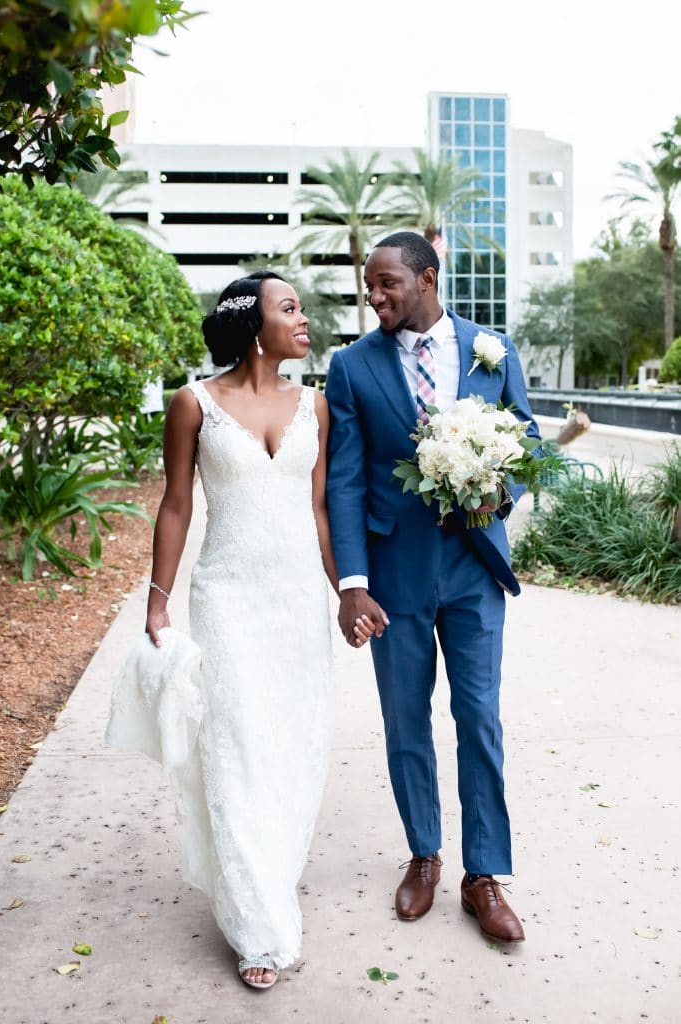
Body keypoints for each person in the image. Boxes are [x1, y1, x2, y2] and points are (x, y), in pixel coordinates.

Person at [116, 271, 379, 990]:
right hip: (227, 599)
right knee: (236, 746)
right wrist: (157, 602)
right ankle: (257, 924)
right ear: (251, 324)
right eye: (288, 307)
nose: (303, 318)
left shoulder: (317, 407)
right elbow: (175, 506)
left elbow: (322, 512)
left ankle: (270, 879)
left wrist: (346, 592)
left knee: (296, 747)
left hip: (295, 602)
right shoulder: (193, 402)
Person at [324, 232, 541, 943]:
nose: (374, 296)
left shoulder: (493, 349)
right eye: (368, 286)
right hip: (395, 574)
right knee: (405, 721)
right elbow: (346, 480)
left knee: (479, 717)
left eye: (387, 283)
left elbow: (527, 442)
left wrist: (493, 488)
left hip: (475, 566)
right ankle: (424, 854)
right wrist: (352, 584)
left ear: (426, 278)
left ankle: (485, 875)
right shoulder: (351, 368)